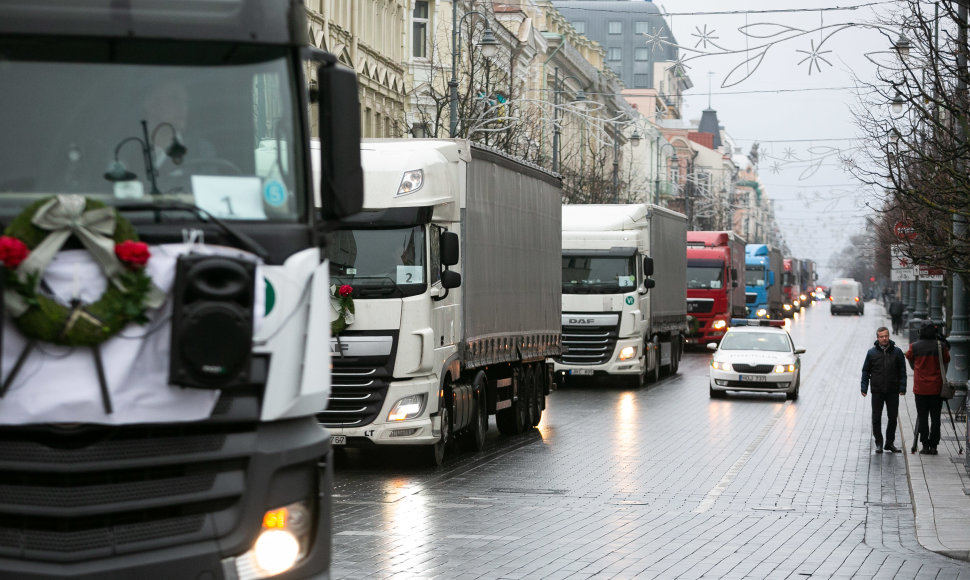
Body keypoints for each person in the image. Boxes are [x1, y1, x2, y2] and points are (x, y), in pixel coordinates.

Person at [861, 326, 907, 453]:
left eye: (886, 336)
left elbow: (902, 371)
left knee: (892, 417)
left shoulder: (897, 352)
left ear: (889, 336)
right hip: (877, 391)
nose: (884, 338)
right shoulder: (871, 353)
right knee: (876, 417)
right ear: (878, 338)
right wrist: (864, 387)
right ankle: (879, 443)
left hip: (893, 390)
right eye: (881, 336)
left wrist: (902, 387)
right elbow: (865, 371)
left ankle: (889, 443)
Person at [906, 323, 950, 455]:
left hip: (920, 389)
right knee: (936, 418)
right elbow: (947, 359)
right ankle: (934, 446)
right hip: (936, 388)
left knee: (923, 417)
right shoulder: (940, 346)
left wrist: (916, 367)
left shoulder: (914, 346)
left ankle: (925, 445)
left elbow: (908, 356)